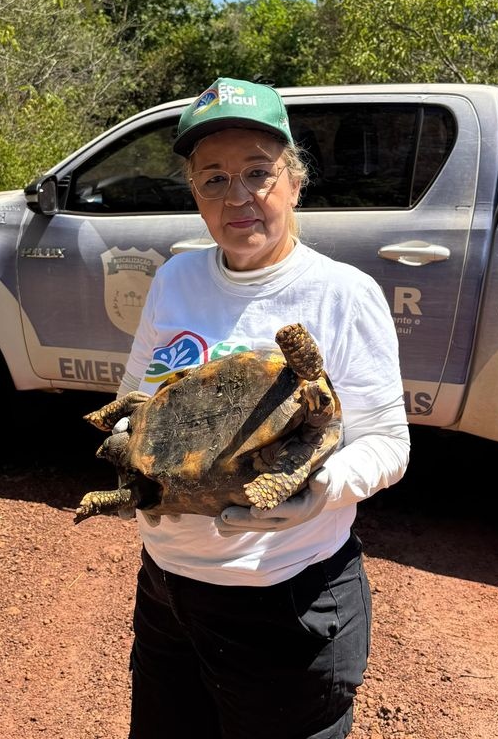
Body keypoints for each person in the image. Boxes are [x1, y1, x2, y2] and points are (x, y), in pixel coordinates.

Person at [115, 76, 410, 739]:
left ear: (295, 180)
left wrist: (319, 490)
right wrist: (135, 456)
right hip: (167, 589)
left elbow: (387, 443)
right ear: (194, 195)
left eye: (257, 172)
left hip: (285, 604)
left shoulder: (341, 294)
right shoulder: (176, 279)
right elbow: (135, 401)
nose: (238, 196)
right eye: (213, 178)